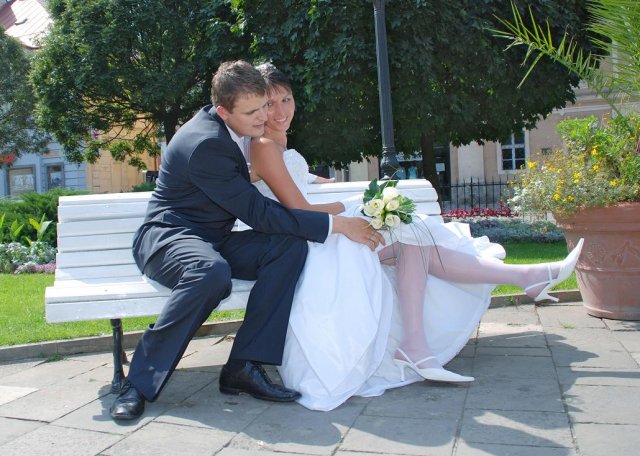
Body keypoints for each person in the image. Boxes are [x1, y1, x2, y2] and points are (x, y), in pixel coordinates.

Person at [248, 62, 584, 411]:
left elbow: (292, 181)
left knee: (414, 240)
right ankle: (522, 280)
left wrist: (325, 184)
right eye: (270, 104)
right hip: (307, 243)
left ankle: (426, 341)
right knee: (413, 235)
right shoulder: (263, 145)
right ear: (257, 107)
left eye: (286, 100)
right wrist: (355, 204)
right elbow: (298, 208)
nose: (280, 111)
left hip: (316, 234)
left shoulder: (278, 144)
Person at [109, 60, 385, 421]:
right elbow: (259, 213)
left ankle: (243, 365)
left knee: (287, 247)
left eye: (264, 106)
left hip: (215, 238)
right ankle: (138, 382)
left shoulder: (236, 128)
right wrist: (337, 225)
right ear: (224, 111)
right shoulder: (206, 143)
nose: (264, 117)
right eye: (252, 112)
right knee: (211, 273)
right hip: (169, 237)